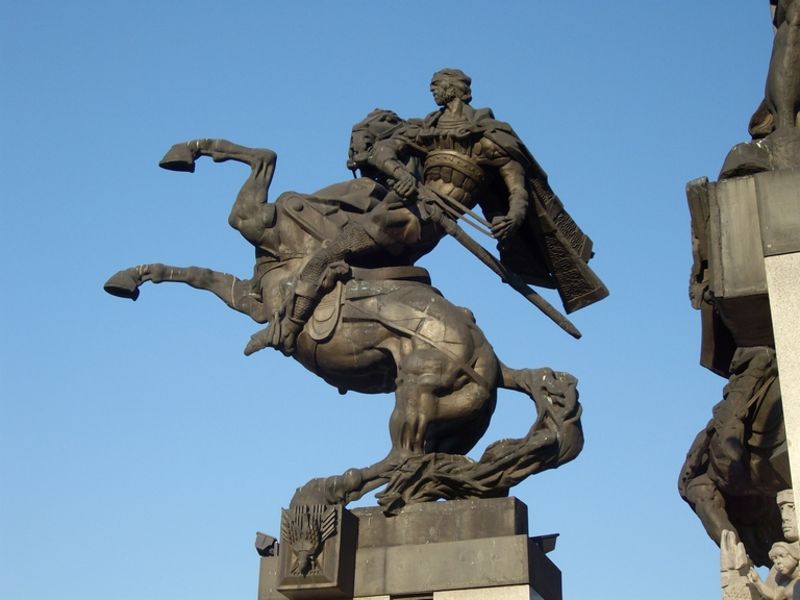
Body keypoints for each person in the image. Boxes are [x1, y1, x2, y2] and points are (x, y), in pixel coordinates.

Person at [251, 69, 606, 355]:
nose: (433, 90)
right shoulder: (429, 128)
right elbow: (381, 152)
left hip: (411, 221)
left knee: (323, 257)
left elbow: (518, 189)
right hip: (406, 209)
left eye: (437, 85)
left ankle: (286, 332)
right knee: (337, 253)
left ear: (454, 89)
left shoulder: (489, 138)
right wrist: (401, 175)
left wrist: (511, 219)